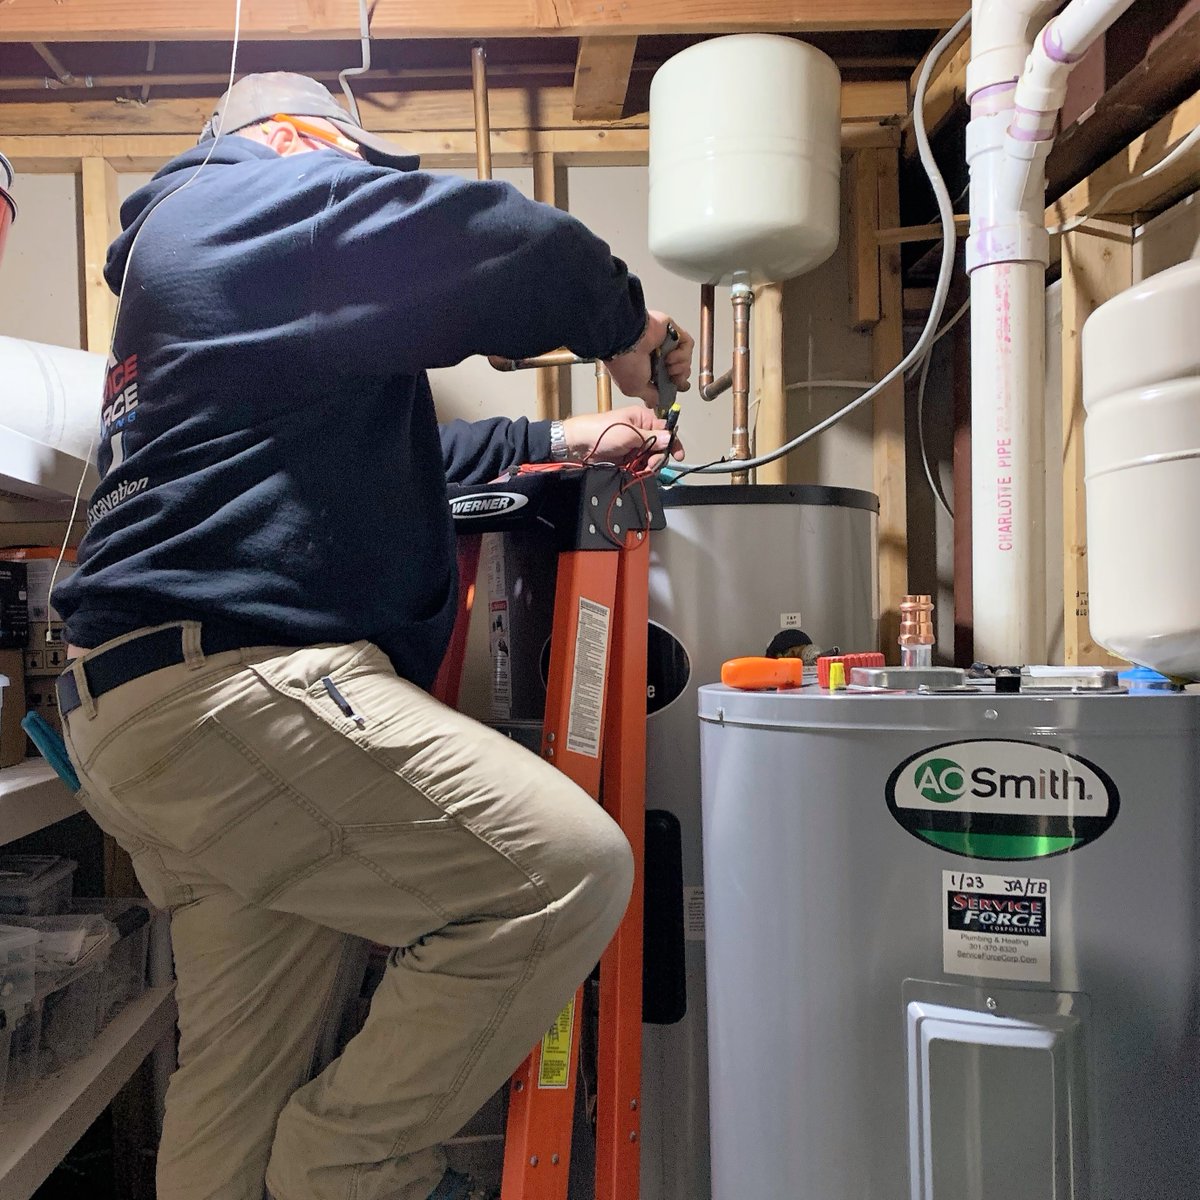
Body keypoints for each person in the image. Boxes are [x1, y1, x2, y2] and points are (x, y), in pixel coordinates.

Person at [51, 72, 694, 1200]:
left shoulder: (204, 290)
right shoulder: (221, 206)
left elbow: (385, 468)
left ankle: (306, 1167)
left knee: (234, 1101)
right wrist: (628, 326)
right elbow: (506, 249)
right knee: (560, 875)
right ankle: (353, 1164)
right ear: (299, 142)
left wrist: (556, 431)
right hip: (233, 692)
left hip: (162, 712)